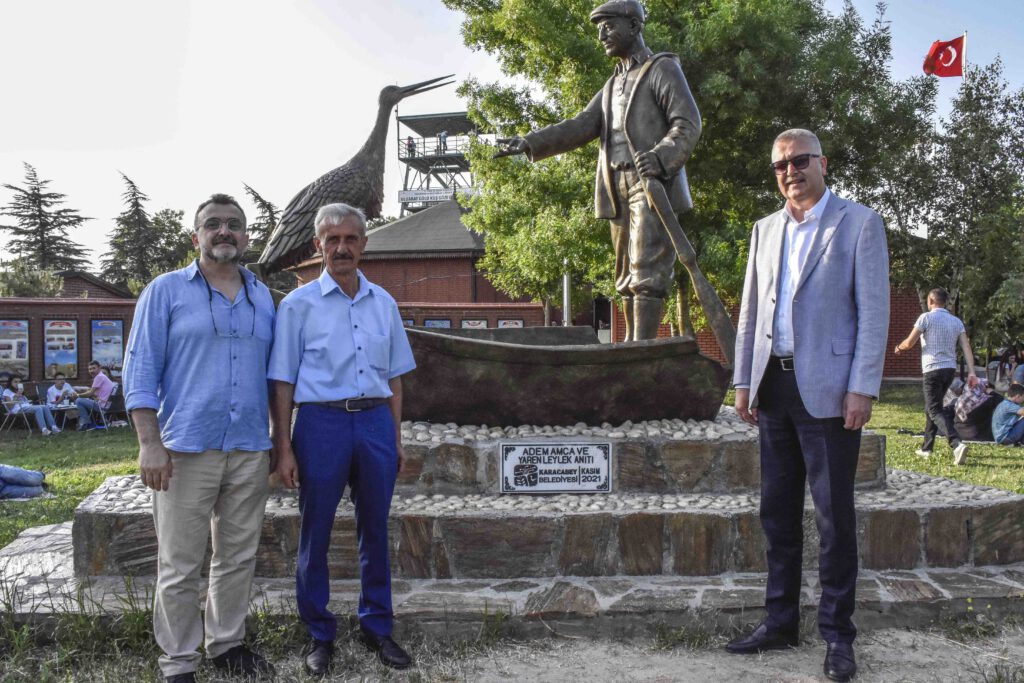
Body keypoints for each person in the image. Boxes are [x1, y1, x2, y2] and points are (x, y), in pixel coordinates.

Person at [730, 128, 890, 683]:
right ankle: (779, 623)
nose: (790, 172)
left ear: (822, 163)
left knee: (833, 519)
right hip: (772, 387)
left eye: (799, 161)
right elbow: (752, 311)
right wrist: (742, 382)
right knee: (776, 515)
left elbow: (873, 314)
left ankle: (838, 636)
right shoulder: (764, 229)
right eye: (780, 165)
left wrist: (862, 387)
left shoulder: (859, 224)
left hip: (829, 391)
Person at [123, 193, 277, 683]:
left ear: (247, 237)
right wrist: (150, 443)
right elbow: (140, 370)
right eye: (214, 224)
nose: (224, 231)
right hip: (184, 449)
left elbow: (277, 376)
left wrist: (281, 441)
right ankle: (179, 662)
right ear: (197, 237)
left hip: (250, 447)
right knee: (180, 563)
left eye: (234, 224)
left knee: (237, 558)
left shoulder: (264, 297)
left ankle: (226, 644)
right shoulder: (164, 292)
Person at [495, 0, 701, 341]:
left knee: (646, 272)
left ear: (634, 26)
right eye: (598, 29)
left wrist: (662, 157)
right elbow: (580, 125)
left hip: (649, 183)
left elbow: (687, 123)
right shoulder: (611, 85)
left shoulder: (661, 69)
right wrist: (529, 142)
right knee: (624, 277)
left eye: (609, 25)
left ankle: (642, 350)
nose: (602, 34)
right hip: (615, 186)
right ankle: (629, 348)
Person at [269, 202, 416, 677]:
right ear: (318, 246)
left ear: (364, 245)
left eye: (351, 238)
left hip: (373, 422)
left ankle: (377, 626)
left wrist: (394, 439)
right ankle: (320, 633)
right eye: (332, 240)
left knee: (376, 528)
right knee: (316, 531)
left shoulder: (385, 304)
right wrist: (284, 447)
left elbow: (395, 379)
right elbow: (283, 383)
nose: (341, 248)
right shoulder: (297, 306)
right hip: (321, 425)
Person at [894, 287, 977, 465]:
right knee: (932, 407)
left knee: (934, 410)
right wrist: (972, 372)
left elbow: (909, 342)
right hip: (949, 370)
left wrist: (899, 348)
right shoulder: (956, 322)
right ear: (946, 302)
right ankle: (927, 448)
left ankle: (956, 444)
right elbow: (966, 347)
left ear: (930, 301)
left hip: (932, 369)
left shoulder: (925, 318)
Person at [75, 361, 115, 431]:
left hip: (102, 406)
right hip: (110, 405)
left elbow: (90, 393)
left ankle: (86, 424)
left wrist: (78, 395)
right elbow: (93, 392)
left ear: (99, 368)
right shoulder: (103, 377)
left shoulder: (99, 377)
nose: (91, 371)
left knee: (78, 401)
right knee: (83, 400)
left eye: (94, 368)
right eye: (90, 369)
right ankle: (88, 423)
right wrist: (86, 394)